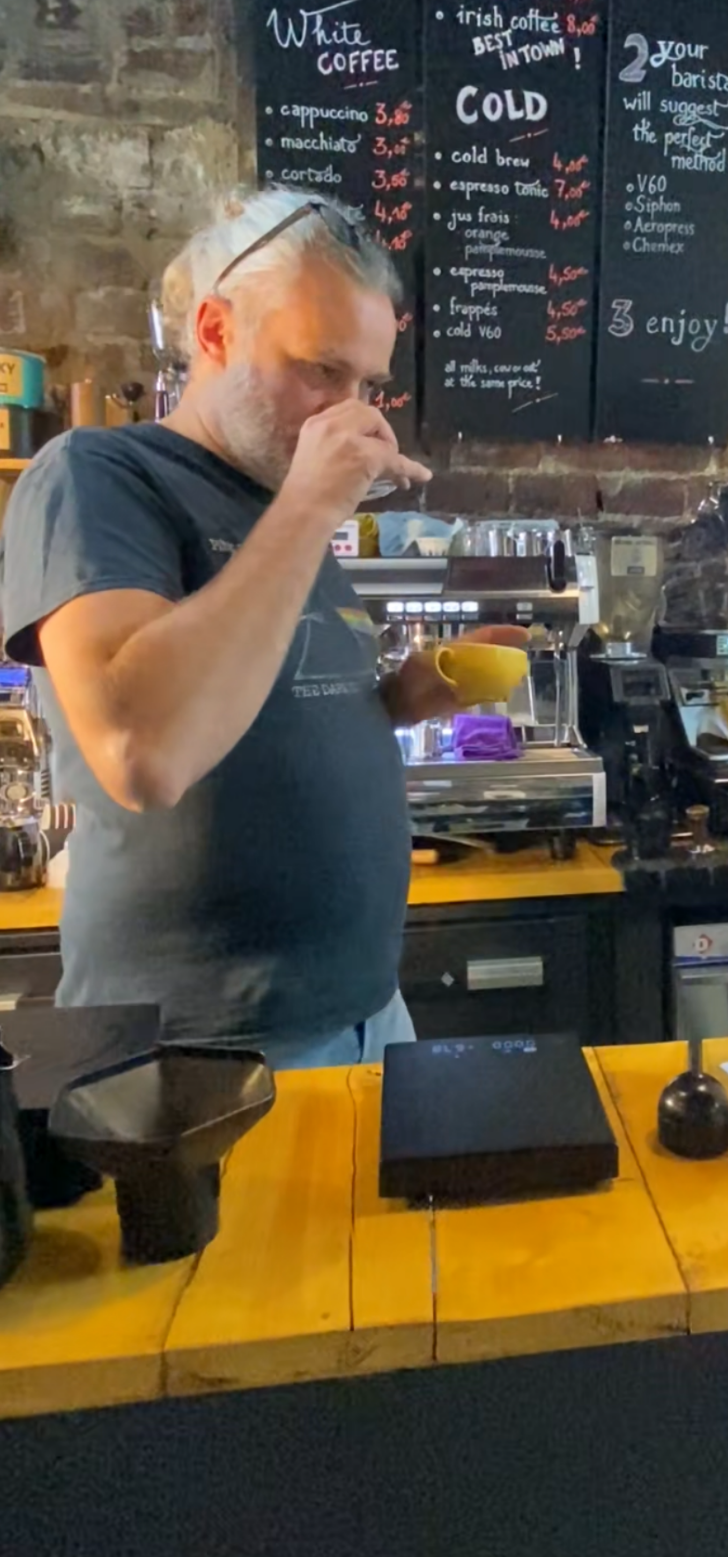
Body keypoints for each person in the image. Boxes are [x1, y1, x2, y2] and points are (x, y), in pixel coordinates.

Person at [0, 186, 521, 1068]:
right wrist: (314, 503)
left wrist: (405, 694)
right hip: (199, 1052)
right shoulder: (96, 474)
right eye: (321, 371)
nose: (351, 412)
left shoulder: (280, 499)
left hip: (367, 1014)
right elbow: (141, 748)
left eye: (367, 384)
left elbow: (271, 695)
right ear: (214, 332)